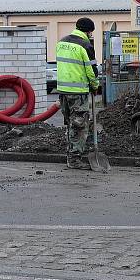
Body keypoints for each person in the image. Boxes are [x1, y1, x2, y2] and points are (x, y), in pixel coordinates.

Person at [56, 17, 100, 170]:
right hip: (78, 91)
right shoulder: (85, 45)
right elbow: (91, 70)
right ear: (89, 31)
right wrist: (95, 86)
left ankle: (70, 155)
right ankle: (74, 159)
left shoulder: (62, 42)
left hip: (63, 91)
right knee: (79, 125)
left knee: (70, 124)